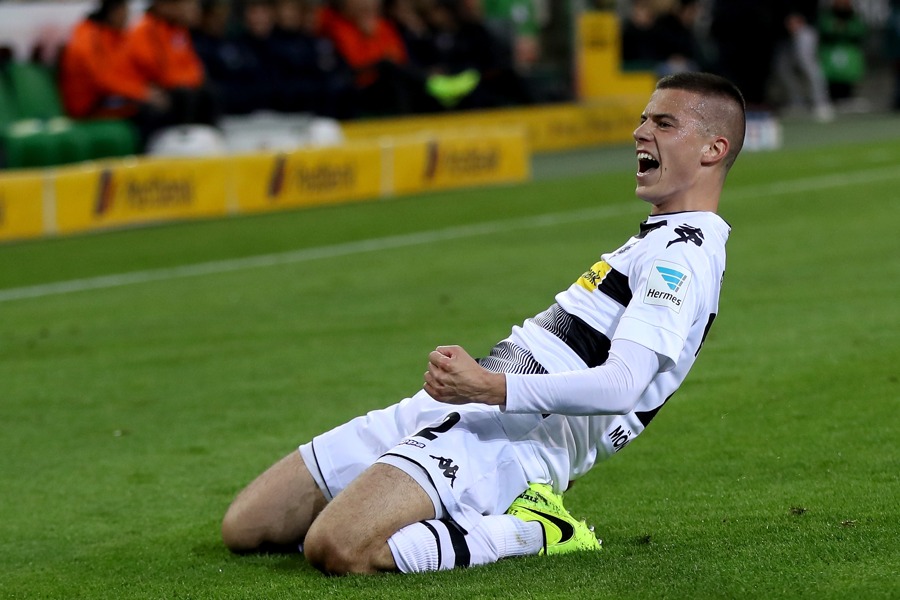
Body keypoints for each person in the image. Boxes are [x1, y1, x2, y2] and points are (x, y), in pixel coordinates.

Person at [221, 71, 747, 575]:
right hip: (463, 403)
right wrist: (476, 385)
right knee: (246, 527)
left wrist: (489, 385)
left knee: (336, 547)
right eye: (643, 119)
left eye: (664, 123)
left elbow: (623, 386)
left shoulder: (682, 256)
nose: (640, 132)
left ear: (712, 149)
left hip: (514, 437)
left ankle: (533, 530)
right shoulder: (660, 237)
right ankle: (425, 495)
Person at [113, 0, 219, 146]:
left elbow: (192, 66)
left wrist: (189, 80)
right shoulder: (143, 29)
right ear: (163, 6)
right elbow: (158, 71)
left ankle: (205, 142)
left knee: (207, 92)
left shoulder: (177, 30)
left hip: (172, 87)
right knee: (182, 96)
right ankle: (173, 146)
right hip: (143, 93)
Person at [58, 0, 145, 119]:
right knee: (148, 108)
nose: (127, 18)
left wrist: (143, 89)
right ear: (114, 13)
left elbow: (121, 72)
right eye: (125, 13)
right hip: (88, 105)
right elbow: (101, 78)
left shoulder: (109, 36)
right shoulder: (90, 38)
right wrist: (141, 92)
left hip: (103, 97)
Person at [772, 0, 834, 122]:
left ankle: (821, 102)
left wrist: (800, 19)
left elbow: (814, 6)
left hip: (805, 27)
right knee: (782, 68)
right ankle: (797, 101)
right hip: (781, 31)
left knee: (807, 63)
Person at [817, 0, 868, 112]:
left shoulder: (854, 16)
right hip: (831, 51)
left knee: (849, 74)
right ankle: (831, 99)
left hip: (849, 50)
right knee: (831, 76)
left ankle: (848, 98)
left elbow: (860, 29)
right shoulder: (827, 15)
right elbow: (825, 27)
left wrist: (844, 28)